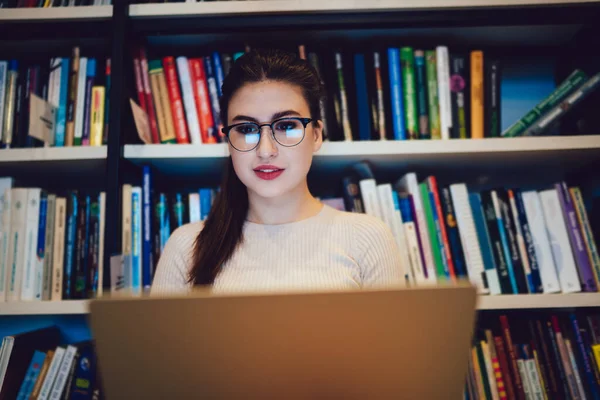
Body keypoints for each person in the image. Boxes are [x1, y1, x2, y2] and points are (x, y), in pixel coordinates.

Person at [151, 48, 405, 294]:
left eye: (286, 125)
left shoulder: (367, 238)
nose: (265, 149)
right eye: (247, 129)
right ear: (228, 140)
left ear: (316, 135)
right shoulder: (186, 247)